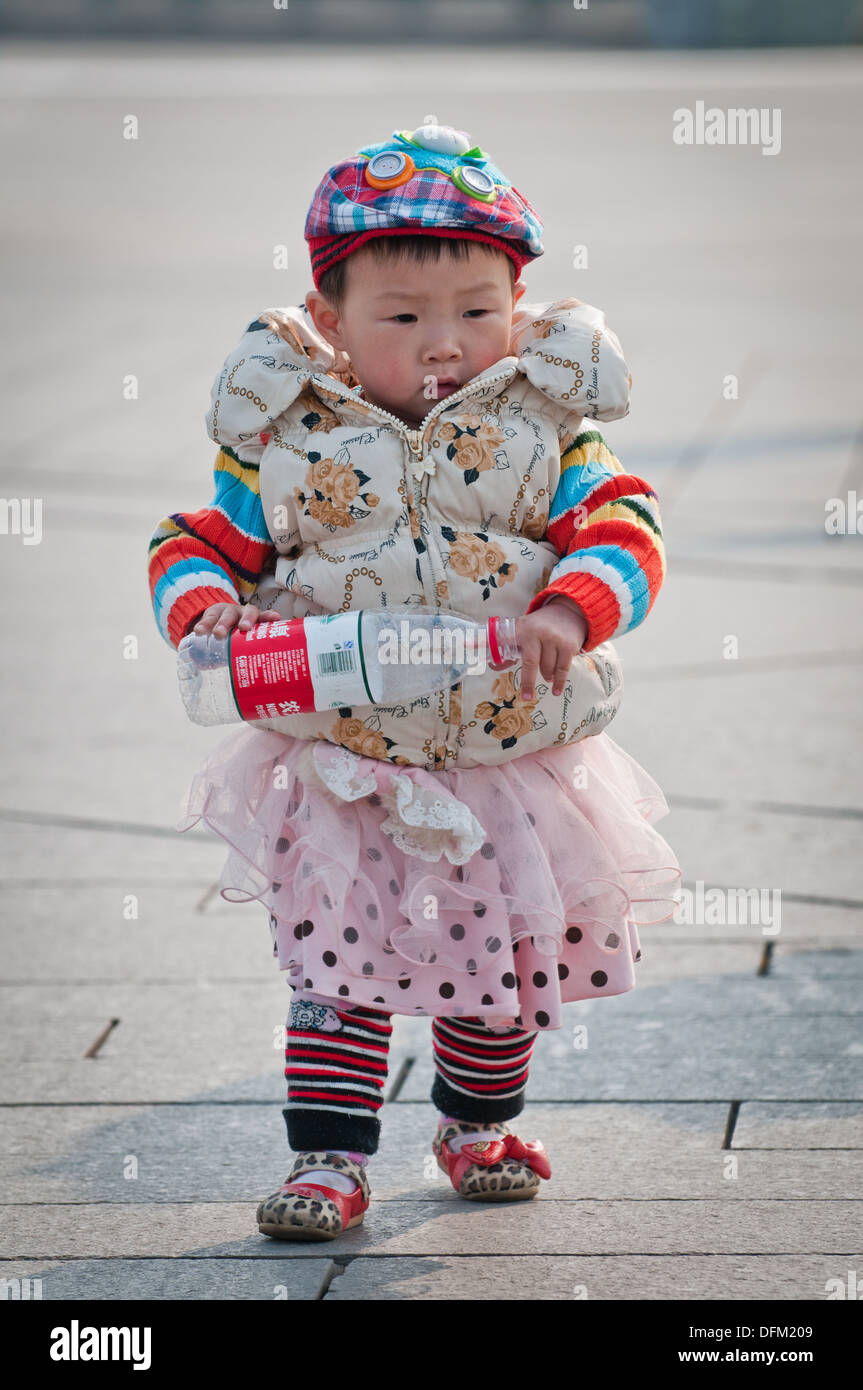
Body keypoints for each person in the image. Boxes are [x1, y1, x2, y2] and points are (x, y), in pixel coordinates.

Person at [147, 122, 681, 1240]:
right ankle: (331, 1157)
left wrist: (567, 605)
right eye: (402, 318)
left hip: (506, 752)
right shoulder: (284, 436)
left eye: (476, 313)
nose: (444, 344)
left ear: (519, 308)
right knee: (336, 971)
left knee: (496, 969)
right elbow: (202, 541)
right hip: (348, 759)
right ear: (332, 327)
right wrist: (205, 607)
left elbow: (622, 526)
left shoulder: (546, 425)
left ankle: (474, 1122)